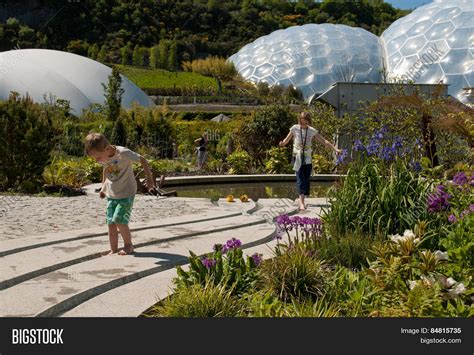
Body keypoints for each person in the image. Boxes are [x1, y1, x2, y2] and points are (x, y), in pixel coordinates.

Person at [85, 133, 156, 255]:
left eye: (98, 157)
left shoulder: (123, 153)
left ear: (107, 148)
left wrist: (150, 180)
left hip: (127, 192)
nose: (97, 161)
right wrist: (103, 187)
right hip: (112, 193)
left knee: (119, 219)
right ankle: (114, 249)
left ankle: (129, 245)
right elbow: (106, 169)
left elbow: (143, 159)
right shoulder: (105, 156)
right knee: (111, 222)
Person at [279, 112, 341, 211]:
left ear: (309, 122)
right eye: (302, 123)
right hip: (297, 156)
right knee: (300, 178)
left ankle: (303, 197)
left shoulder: (311, 131)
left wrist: (335, 149)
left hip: (307, 156)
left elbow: (324, 141)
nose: (303, 125)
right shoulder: (294, 128)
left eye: (305, 123)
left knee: (306, 178)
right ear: (299, 121)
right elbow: (286, 140)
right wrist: (282, 143)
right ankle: (301, 203)